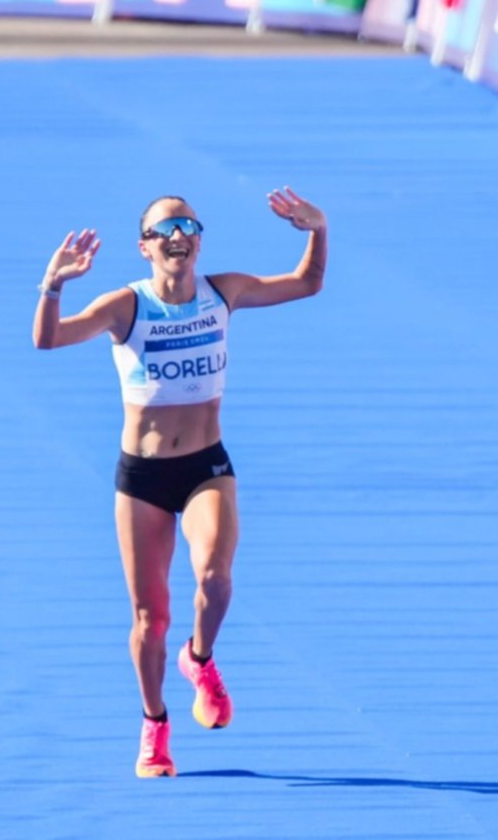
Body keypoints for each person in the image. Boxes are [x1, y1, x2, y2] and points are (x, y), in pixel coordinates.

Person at [32, 188, 328, 778]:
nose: (177, 235)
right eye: (165, 229)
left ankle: (201, 659)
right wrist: (53, 285)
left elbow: (307, 283)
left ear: (197, 241)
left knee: (215, 580)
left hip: (204, 468)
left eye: (187, 225)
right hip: (142, 478)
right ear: (145, 247)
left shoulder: (225, 292)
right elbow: (48, 338)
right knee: (150, 620)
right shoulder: (126, 307)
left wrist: (318, 231)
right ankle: (154, 723)